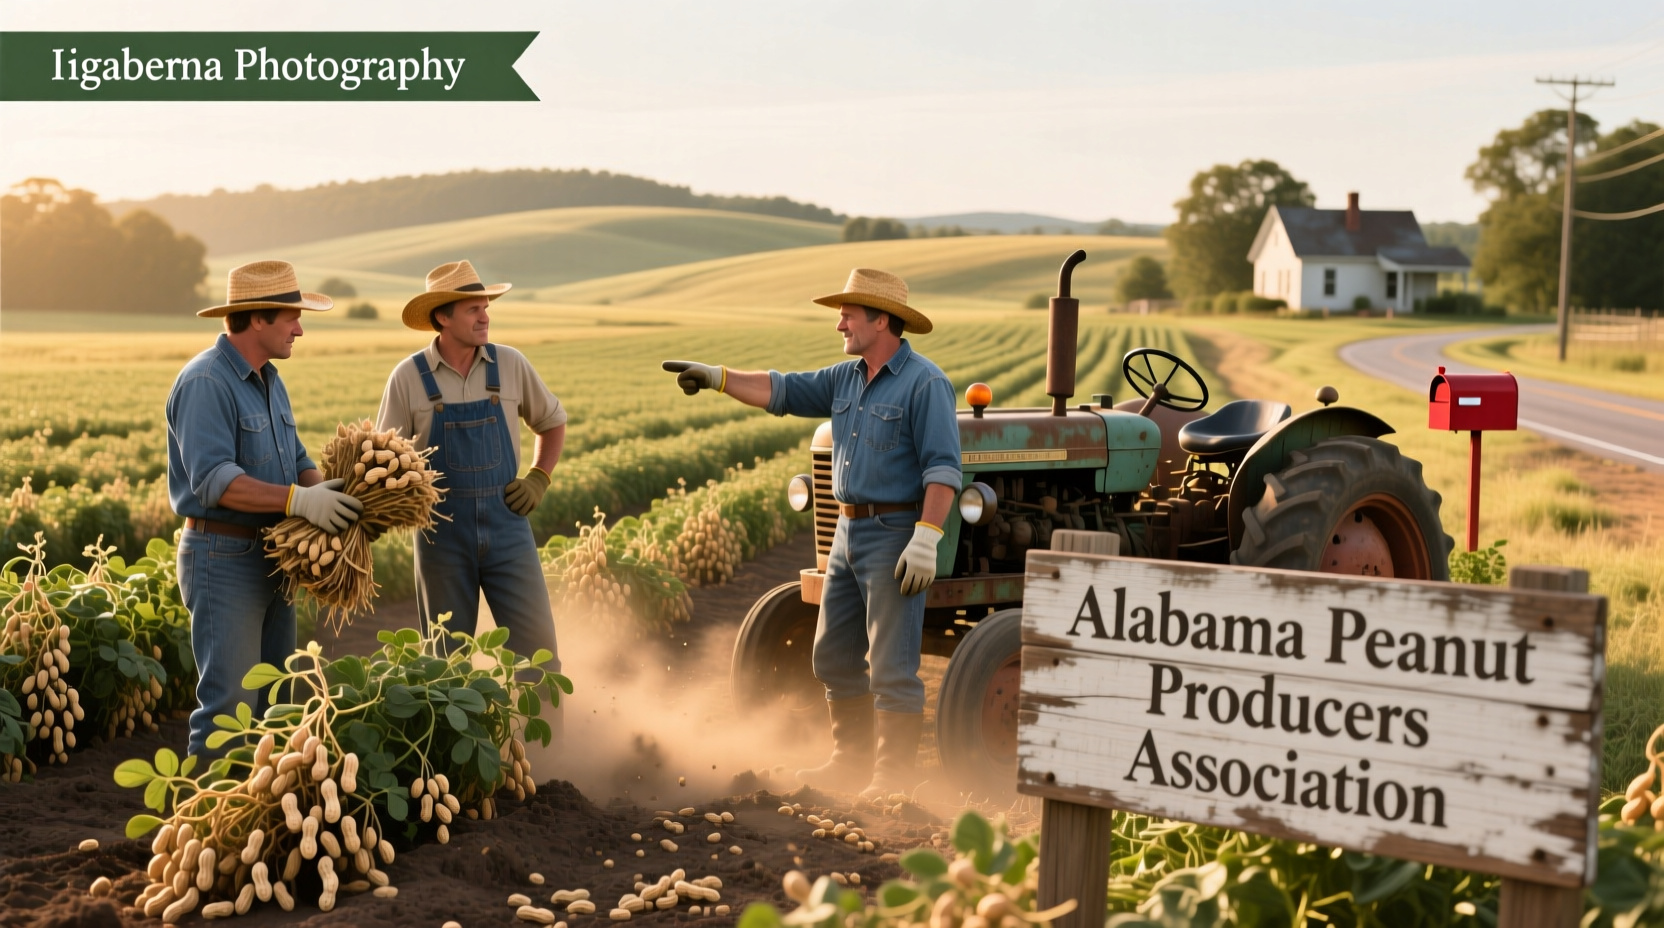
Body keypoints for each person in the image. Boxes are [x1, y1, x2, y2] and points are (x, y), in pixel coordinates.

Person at [663, 268, 960, 798]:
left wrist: (926, 536)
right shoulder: (845, 379)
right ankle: (849, 761)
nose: (839, 323)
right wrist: (717, 377)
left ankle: (893, 779)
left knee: (891, 665)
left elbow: (943, 470)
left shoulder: (925, 383)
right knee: (831, 656)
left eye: (848, 313)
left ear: (882, 319)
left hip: (896, 533)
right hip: (847, 532)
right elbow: (781, 389)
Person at [167, 260, 363, 758]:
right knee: (229, 709)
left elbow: (295, 460)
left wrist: (330, 497)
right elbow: (215, 482)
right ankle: (204, 824)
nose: (300, 328)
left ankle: (254, 820)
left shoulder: (270, 380)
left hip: (276, 557)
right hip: (223, 557)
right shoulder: (206, 382)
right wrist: (300, 501)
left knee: (278, 701)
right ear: (257, 319)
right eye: (291, 317)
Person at [375, 260, 564, 671]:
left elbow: (553, 422)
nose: (485, 316)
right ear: (443, 317)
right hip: (440, 537)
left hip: (508, 527)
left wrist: (539, 477)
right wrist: (380, 512)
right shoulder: (407, 378)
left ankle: (551, 738)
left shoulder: (510, 364)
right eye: (473, 309)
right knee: (444, 666)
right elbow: (382, 461)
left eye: (486, 307)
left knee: (540, 659)